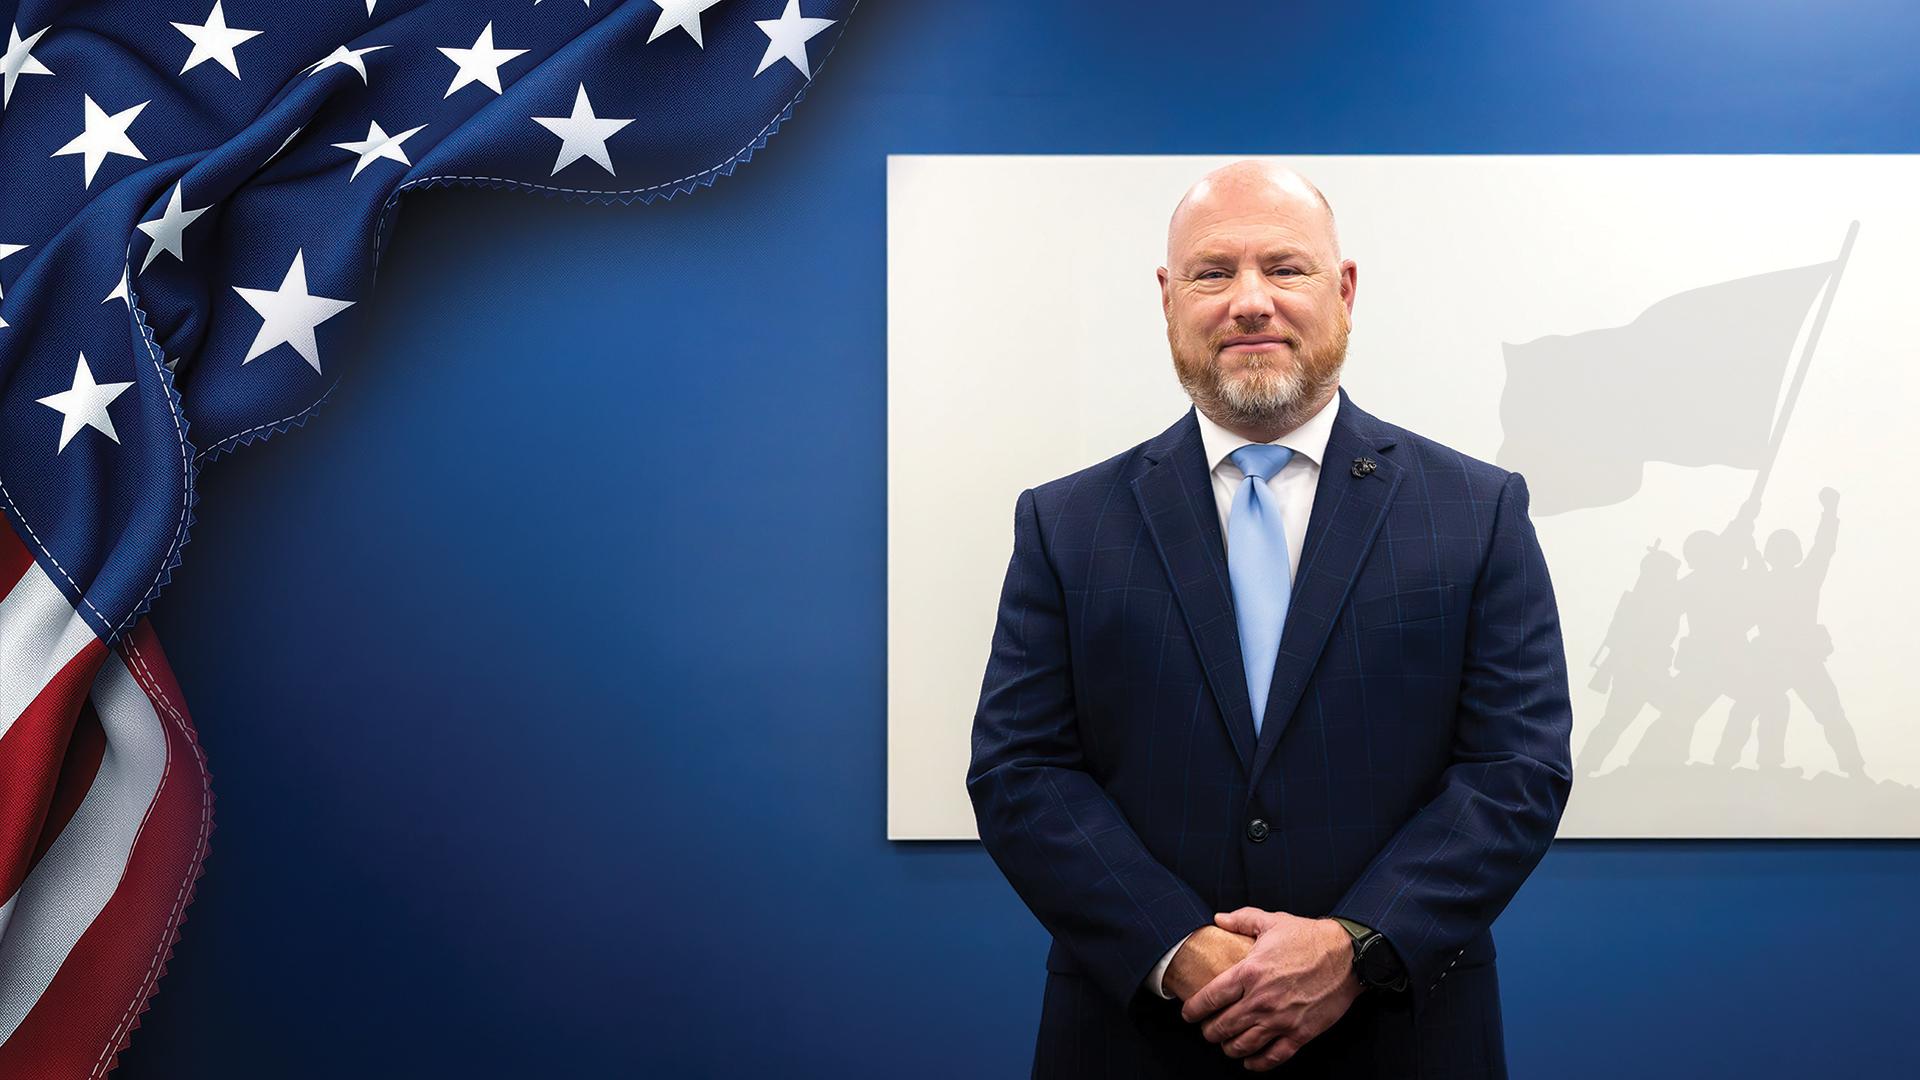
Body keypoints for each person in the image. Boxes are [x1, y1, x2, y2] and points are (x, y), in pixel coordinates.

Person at [966, 160, 1574, 1078]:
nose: (1251, 301)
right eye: (1214, 273)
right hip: (1140, 1038)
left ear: (1346, 290)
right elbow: (1021, 771)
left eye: (1285, 268)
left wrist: (1354, 945)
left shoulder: (1476, 510)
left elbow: (1516, 767)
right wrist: (1178, 949)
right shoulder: (1066, 524)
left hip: (1400, 1039)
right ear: (1168, 299)